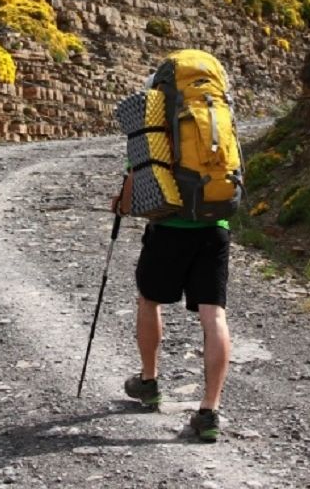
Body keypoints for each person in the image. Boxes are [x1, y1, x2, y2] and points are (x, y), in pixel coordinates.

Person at [111, 79, 233, 444]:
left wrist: (121, 204)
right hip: (215, 227)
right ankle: (209, 410)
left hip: (168, 228)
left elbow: (135, 178)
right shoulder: (218, 115)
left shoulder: (155, 123)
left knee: (150, 300)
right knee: (214, 315)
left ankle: (149, 383)